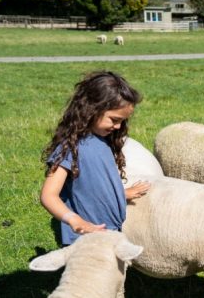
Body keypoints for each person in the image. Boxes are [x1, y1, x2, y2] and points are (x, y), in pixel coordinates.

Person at [39, 71, 150, 246]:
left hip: (109, 231)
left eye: (122, 121)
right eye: (114, 119)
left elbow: (93, 185)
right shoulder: (71, 148)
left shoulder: (105, 142)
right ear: (92, 109)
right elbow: (48, 195)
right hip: (83, 238)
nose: (119, 126)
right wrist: (75, 220)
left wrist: (122, 194)